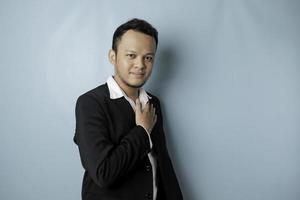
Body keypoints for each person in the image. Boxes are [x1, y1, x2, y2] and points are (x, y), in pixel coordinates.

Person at [74, 18, 183, 200]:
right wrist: (142, 131)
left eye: (148, 57)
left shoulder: (153, 103)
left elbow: (162, 165)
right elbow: (103, 173)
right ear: (113, 57)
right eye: (131, 55)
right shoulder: (90, 103)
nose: (140, 65)